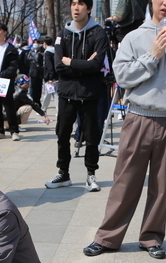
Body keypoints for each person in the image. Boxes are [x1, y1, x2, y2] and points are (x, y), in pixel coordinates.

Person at [82, 0, 166, 260]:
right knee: (125, 182)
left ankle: (151, 237)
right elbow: (123, 77)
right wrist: (154, 55)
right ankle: (107, 237)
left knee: (162, 187)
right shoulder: (134, 37)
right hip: (138, 117)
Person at [45, 0, 109, 192]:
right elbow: (58, 65)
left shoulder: (98, 33)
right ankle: (63, 172)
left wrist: (71, 62)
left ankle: (91, 174)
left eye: (81, 3)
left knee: (91, 135)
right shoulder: (63, 33)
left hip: (89, 93)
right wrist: (84, 65)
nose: (76, 7)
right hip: (66, 92)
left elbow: (96, 64)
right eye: (73, 3)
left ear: (88, 8)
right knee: (63, 133)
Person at [0, 23, 21, 141]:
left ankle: (14, 131)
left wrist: (1, 75)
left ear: (5, 32)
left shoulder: (11, 49)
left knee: (9, 107)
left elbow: (13, 66)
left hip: (5, 82)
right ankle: (0, 130)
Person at [41, 36, 58, 112]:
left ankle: (43, 109)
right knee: (56, 94)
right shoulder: (55, 51)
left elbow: (49, 66)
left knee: (48, 94)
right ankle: (58, 110)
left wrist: (50, 77)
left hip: (50, 77)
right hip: (56, 75)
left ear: (45, 43)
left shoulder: (47, 53)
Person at [27, 39, 44, 106]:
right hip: (33, 72)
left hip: (39, 72)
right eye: (34, 43)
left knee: (38, 88)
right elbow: (28, 58)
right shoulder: (31, 52)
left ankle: (38, 101)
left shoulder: (41, 52)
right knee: (33, 87)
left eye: (37, 43)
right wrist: (34, 59)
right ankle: (34, 101)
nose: (35, 44)